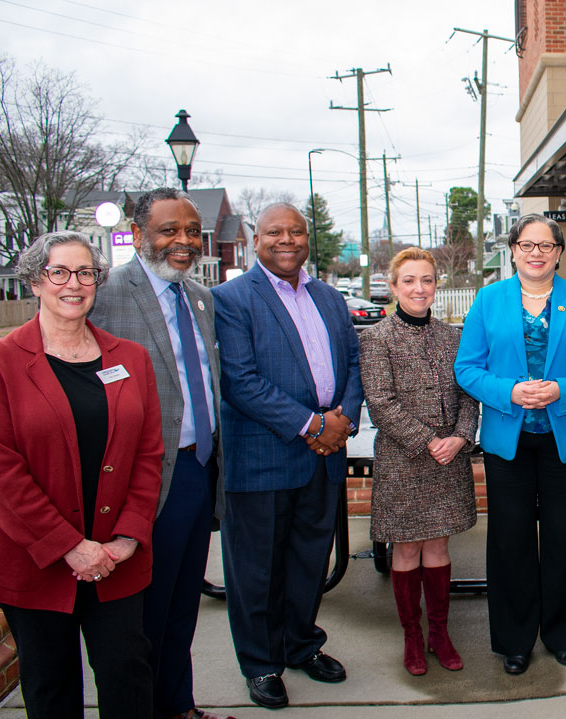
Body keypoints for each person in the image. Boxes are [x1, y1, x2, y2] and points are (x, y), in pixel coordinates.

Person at [0, 231, 163, 718]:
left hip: (116, 557)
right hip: (34, 558)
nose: (73, 284)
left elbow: (148, 456)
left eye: (86, 273)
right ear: (35, 281)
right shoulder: (0, 362)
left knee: (128, 676)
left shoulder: (131, 359)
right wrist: (69, 546)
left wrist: (127, 539)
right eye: (59, 272)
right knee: (50, 685)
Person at [88, 187, 231, 719]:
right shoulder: (104, 294)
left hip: (197, 471)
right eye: (170, 230)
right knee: (139, 617)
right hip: (142, 481)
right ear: (140, 231)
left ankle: (178, 705)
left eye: (192, 231)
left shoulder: (199, 297)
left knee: (179, 608)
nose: (184, 241)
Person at [213, 202, 362, 709]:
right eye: (275, 232)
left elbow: (354, 362)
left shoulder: (329, 297)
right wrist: (314, 425)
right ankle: (261, 664)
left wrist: (341, 419)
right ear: (256, 240)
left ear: (306, 239)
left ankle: (301, 645)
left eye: (296, 231)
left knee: (307, 561)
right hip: (263, 455)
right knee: (256, 570)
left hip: (324, 453)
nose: (287, 240)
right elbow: (240, 381)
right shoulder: (231, 299)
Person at [455, 214, 566, 674]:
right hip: (507, 441)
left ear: (560, 253)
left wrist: (561, 390)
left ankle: (565, 634)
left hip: (562, 439)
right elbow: (467, 368)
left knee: (565, 537)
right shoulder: (489, 300)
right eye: (527, 245)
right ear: (512, 250)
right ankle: (514, 640)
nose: (536, 253)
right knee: (511, 541)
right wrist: (508, 391)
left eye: (546, 246)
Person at [360, 247, 479, 676]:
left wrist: (461, 436)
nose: (418, 288)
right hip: (404, 461)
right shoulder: (376, 338)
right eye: (408, 280)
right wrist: (430, 441)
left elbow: (469, 392)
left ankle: (439, 632)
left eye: (426, 279)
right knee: (406, 547)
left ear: (436, 285)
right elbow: (381, 404)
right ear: (393, 287)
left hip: (450, 458)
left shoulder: (453, 336)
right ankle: (412, 635)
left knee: (439, 545)